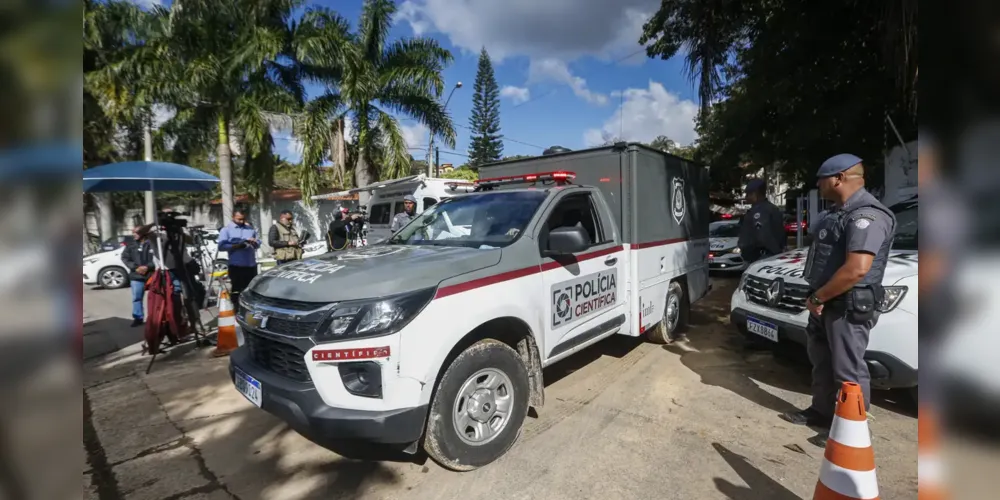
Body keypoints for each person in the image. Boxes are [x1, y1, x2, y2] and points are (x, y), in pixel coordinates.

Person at [780, 153, 896, 429]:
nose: (818, 185)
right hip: (825, 301)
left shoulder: (867, 216)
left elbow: (857, 269)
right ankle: (821, 413)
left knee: (848, 370)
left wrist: (820, 297)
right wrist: (818, 297)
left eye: (822, 180)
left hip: (847, 303)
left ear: (839, 178)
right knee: (821, 361)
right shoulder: (835, 214)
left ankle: (851, 429)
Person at [218, 210, 259, 315]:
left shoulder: (250, 229)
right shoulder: (226, 230)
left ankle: (250, 311)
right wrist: (236, 246)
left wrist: (254, 243)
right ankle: (237, 311)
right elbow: (221, 246)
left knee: (251, 289)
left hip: (250, 265)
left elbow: (258, 242)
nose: (241, 221)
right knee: (237, 289)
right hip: (236, 266)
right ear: (233, 217)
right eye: (239, 219)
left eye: (243, 219)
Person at [737, 178, 786, 263]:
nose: (746, 197)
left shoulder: (760, 211)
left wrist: (775, 253)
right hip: (762, 256)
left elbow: (764, 235)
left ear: (755, 193)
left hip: (762, 257)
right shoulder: (770, 208)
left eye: (748, 194)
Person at [121, 225, 155, 327]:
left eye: (136, 232)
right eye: (133, 232)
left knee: (155, 297)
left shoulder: (152, 244)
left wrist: (148, 267)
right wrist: (135, 268)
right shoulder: (130, 245)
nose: (134, 235)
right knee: (137, 298)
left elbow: (157, 258)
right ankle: (138, 318)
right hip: (136, 276)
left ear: (143, 233)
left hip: (151, 275)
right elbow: (125, 258)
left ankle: (155, 318)